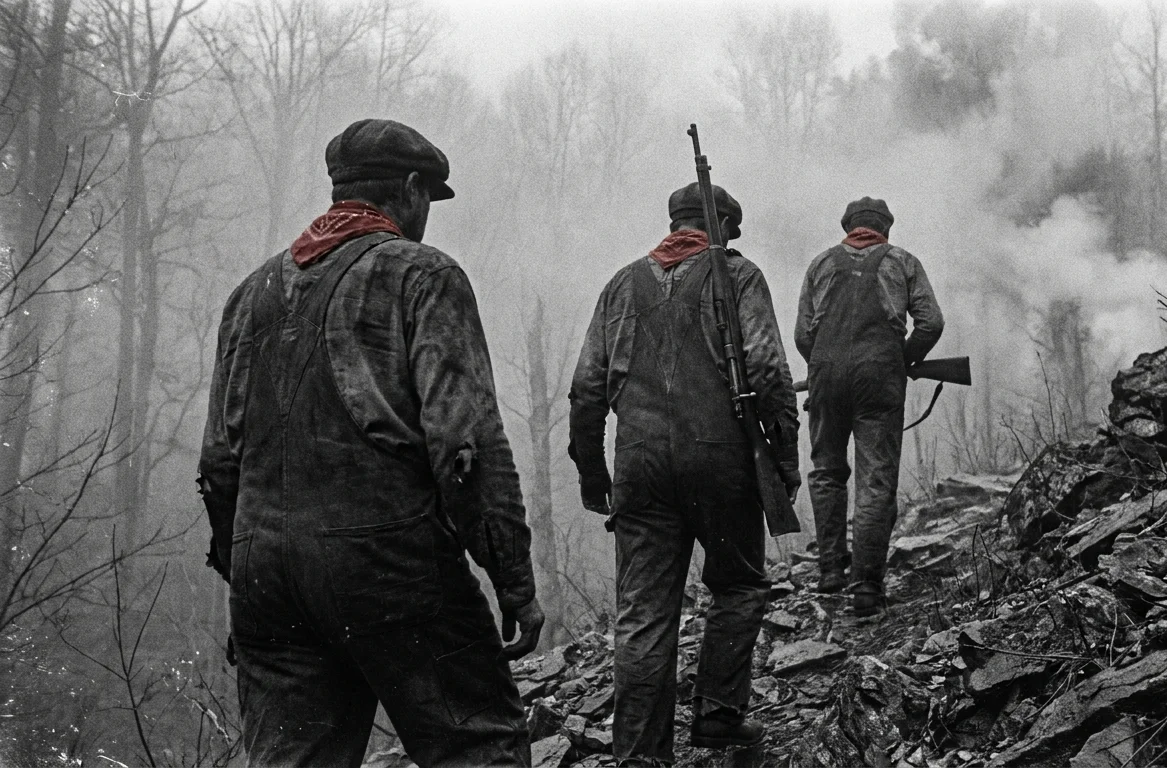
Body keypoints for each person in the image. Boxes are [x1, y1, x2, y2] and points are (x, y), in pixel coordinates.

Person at [197, 118, 542, 767]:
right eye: (428, 202)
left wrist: (241, 575)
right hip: (389, 564)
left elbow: (219, 465)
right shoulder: (422, 274)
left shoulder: (250, 296)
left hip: (266, 578)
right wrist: (513, 581)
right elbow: (466, 450)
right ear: (411, 189)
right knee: (480, 744)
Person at [568, 182, 800, 764]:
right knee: (740, 584)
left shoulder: (622, 283)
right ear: (721, 224)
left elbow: (585, 391)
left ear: (676, 222)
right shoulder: (740, 277)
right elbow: (770, 369)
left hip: (640, 466)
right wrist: (786, 456)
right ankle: (719, 716)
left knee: (643, 611)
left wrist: (595, 479)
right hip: (721, 460)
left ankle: (641, 756)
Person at [795, 197, 944, 617]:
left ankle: (829, 572)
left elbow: (803, 334)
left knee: (826, 472)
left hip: (824, 375)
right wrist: (903, 358)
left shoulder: (820, 264)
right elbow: (931, 322)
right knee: (875, 481)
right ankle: (866, 589)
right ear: (885, 228)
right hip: (879, 378)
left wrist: (826, 366)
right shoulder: (902, 261)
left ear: (848, 227)